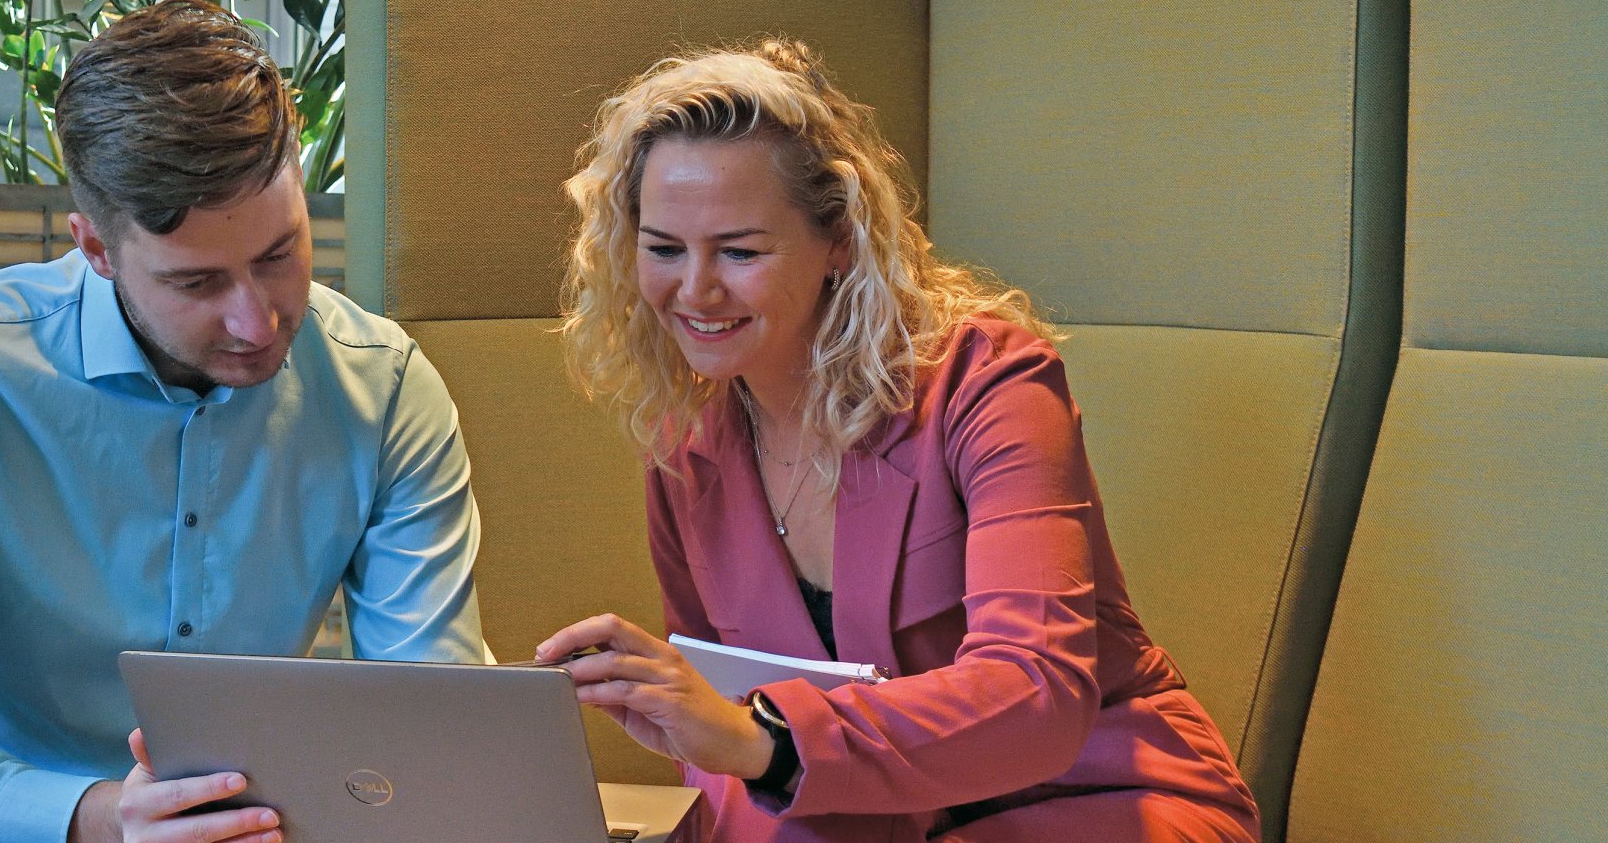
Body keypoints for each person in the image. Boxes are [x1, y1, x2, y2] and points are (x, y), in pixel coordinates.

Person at [533, 41, 1260, 843]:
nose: (695, 290)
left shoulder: (990, 382)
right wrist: (690, 721)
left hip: (1096, 800)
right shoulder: (685, 441)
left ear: (840, 238)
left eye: (739, 251)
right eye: (664, 248)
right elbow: (720, 741)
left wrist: (765, 741)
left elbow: (1038, 692)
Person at [0, 0, 489, 843]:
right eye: (196, 283)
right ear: (96, 249)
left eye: (280, 255)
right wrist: (104, 820)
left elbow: (433, 715)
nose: (259, 322)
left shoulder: (384, 385)